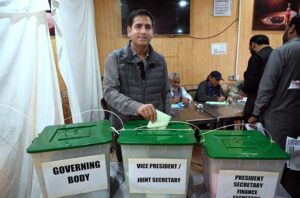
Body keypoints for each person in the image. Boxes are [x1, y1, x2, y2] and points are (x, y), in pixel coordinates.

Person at [103, 9, 171, 161]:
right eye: (138, 26)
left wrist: (167, 121)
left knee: (153, 170)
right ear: (129, 31)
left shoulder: (160, 60)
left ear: (153, 32)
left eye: (148, 27)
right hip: (125, 130)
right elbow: (109, 92)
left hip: (154, 129)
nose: (143, 31)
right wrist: (137, 107)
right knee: (128, 173)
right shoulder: (115, 58)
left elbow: (166, 92)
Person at [248, 15, 300, 197]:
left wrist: (255, 113)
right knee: (295, 167)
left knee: (271, 166)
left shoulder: (283, 52)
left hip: (279, 120)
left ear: (292, 27)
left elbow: (267, 87)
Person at [241, 35, 273, 122]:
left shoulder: (256, 58)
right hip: (271, 104)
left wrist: (244, 90)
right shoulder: (275, 54)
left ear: (253, 44)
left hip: (255, 103)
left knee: (250, 133)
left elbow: (251, 82)